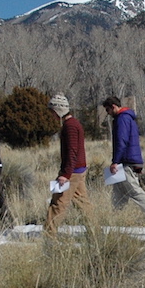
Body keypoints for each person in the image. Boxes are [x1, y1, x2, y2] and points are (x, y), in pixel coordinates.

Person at [102, 96, 145, 227]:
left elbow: (121, 142)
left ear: (113, 106)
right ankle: (115, 220)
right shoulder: (127, 118)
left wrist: (115, 162)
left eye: (108, 110)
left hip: (126, 161)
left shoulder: (121, 119)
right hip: (129, 159)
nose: (107, 113)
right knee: (119, 192)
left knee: (134, 191)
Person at [44, 94, 90, 236]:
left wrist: (65, 175)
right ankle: (95, 232)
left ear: (58, 111)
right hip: (78, 169)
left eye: (52, 112)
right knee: (83, 203)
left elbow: (72, 152)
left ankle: (49, 235)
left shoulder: (69, 127)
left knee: (58, 203)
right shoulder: (74, 123)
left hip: (72, 171)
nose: (51, 115)